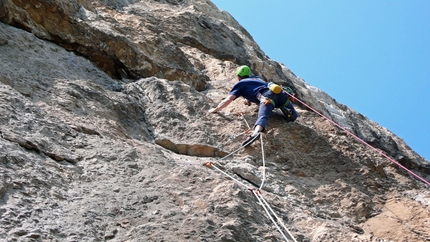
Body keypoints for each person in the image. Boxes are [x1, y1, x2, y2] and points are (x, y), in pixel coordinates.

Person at [208, 65, 298, 146]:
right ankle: (285, 108)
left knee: (263, 116)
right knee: (293, 116)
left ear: (238, 77)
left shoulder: (240, 84)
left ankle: (256, 132)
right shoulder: (257, 79)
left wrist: (216, 109)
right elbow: (256, 89)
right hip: (281, 95)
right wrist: (247, 99)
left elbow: (229, 99)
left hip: (268, 98)